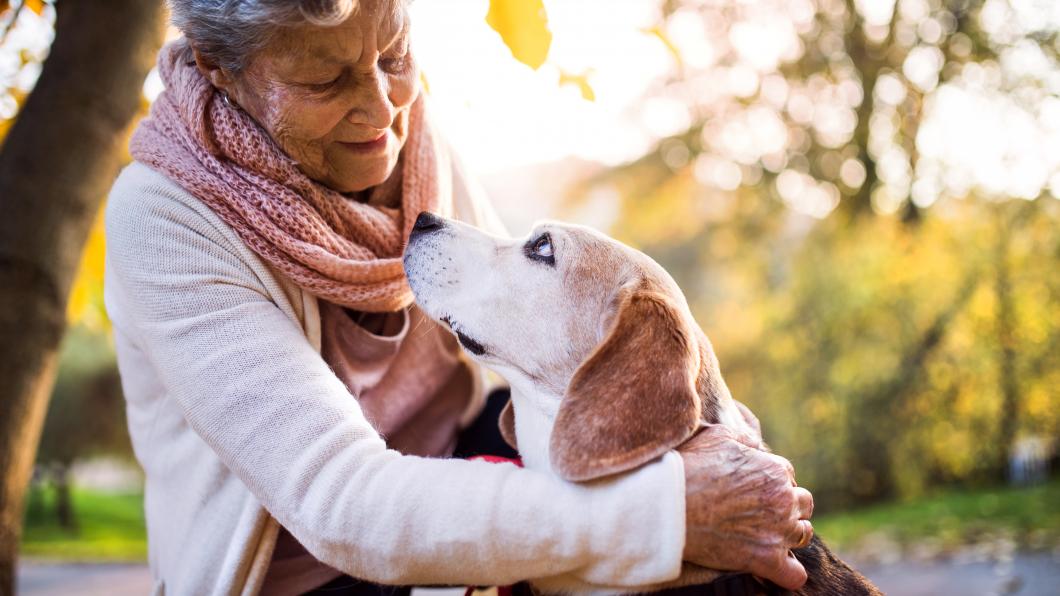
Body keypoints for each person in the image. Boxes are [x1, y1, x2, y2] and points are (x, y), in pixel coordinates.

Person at [102, 1, 814, 594]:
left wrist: (726, 454)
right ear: (218, 71)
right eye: (326, 79)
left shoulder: (409, 133)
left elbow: (528, 330)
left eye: (395, 54)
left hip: (470, 450)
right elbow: (341, 502)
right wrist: (664, 511)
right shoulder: (162, 220)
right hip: (312, 566)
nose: (384, 106)